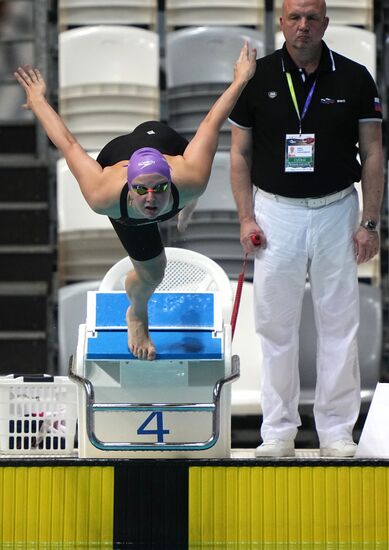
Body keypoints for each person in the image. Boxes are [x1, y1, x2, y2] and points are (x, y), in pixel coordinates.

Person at [15, 43, 256, 361]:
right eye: (142, 191)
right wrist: (38, 101)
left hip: (165, 144)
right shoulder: (104, 196)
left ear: (170, 180)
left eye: (159, 188)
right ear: (130, 188)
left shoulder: (189, 175)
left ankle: (185, 204)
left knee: (194, 185)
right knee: (154, 273)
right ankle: (137, 314)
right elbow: (69, 145)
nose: (152, 199)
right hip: (118, 155)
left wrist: (241, 79)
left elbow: (211, 123)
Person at [229, 0, 384, 458]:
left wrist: (370, 222)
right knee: (276, 327)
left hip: (338, 209)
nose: (303, 26)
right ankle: (278, 430)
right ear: (280, 22)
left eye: (312, 18)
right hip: (275, 213)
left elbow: (374, 154)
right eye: (294, 17)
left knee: (339, 324)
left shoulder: (355, 77)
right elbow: (238, 154)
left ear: (325, 23)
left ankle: (337, 430)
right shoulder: (255, 77)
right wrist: (245, 217)